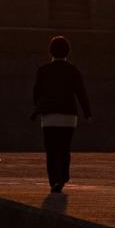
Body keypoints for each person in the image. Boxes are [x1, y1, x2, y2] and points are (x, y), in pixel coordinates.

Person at [31, 34, 91, 192]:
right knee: (64, 148)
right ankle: (63, 176)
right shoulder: (73, 70)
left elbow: (36, 93)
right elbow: (81, 93)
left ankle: (54, 181)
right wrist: (87, 113)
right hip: (68, 116)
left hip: (49, 116)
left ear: (50, 51)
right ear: (67, 52)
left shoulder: (43, 70)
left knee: (51, 149)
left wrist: (39, 106)